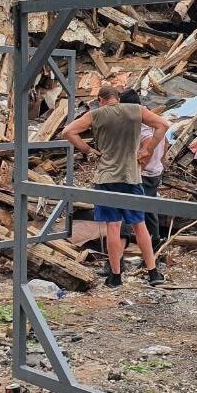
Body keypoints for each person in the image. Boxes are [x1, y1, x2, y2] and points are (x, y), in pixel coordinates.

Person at [61, 85, 169, 288]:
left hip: (107, 178)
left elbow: (68, 131)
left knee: (113, 226)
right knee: (140, 225)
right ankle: (153, 273)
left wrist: (88, 149)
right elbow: (163, 125)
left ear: (101, 99)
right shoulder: (135, 111)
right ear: (117, 98)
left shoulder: (96, 114)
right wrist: (148, 149)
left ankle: (116, 276)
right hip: (132, 177)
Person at [119, 89, 165, 252]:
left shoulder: (140, 123)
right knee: (149, 209)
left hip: (143, 173)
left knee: (124, 208)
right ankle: (155, 246)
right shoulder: (154, 119)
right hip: (155, 171)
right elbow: (162, 144)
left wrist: (137, 170)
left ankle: (122, 251)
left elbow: (146, 144)